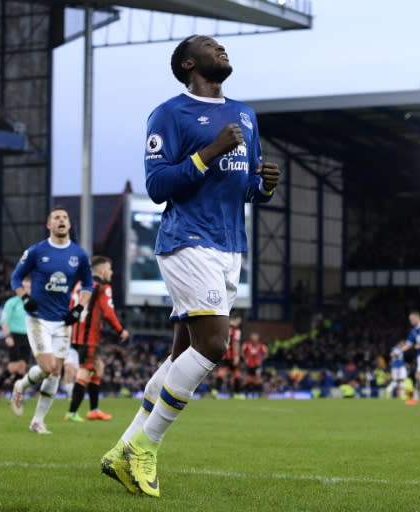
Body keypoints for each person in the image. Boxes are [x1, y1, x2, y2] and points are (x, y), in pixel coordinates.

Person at [100, 34, 280, 498]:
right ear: (187, 63)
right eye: (210, 46)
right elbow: (158, 185)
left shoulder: (245, 115)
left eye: (221, 45)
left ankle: (121, 448)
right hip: (186, 240)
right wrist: (211, 150)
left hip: (229, 245)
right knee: (214, 345)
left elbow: (243, 189)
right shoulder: (169, 113)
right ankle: (146, 444)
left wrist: (265, 188)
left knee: (180, 356)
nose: (221, 49)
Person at [9, 205, 93, 434]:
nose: (61, 220)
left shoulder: (79, 255)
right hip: (38, 319)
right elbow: (15, 278)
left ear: (69, 224)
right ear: (49, 225)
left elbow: (88, 284)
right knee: (47, 367)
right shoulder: (36, 251)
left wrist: (79, 307)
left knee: (55, 371)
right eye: (56, 217)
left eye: (65, 217)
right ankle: (20, 386)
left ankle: (37, 421)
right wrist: (25, 298)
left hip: (63, 321)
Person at [65, 255, 130, 422]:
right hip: (89, 337)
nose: (111, 272)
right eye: (109, 269)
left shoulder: (80, 284)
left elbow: (71, 307)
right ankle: (72, 412)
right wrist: (120, 330)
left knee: (98, 366)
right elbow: (108, 312)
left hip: (77, 334)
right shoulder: (102, 286)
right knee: (85, 371)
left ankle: (94, 410)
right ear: (101, 271)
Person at [0, 276, 32, 401]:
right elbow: (4, 321)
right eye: (24, 287)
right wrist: (7, 336)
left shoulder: (33, 303)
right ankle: (9, 389)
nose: (27, 290)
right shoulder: (11, 303)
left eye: (29, 287)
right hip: (15, 335)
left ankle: (2, 386)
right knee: (16, 366)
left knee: (23, 367)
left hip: (28, 336)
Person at [214, 312, 242, 397]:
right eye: (240, 320)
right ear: (237, 319)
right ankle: (237, 394)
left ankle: (215, 391)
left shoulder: (223, 328)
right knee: (237, 374)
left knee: (221, 373)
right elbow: (235, 343)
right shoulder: (236, 330)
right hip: (232, 356)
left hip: (222, 354)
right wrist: (236, 356)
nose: (240, 322)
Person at [241, 331, 268, 397]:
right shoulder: (246, 344)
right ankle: (246, 394)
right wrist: (245, 359)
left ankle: (260, 393)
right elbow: (241, 352)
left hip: (257, 365)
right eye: (253, 337)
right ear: (251, 338)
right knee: (247, 380)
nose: (254, 338)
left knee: (258, 379)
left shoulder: (261, 345)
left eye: (255, 337)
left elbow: (266, 354)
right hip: (249, 365)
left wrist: (261, 359)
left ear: (258, 338)